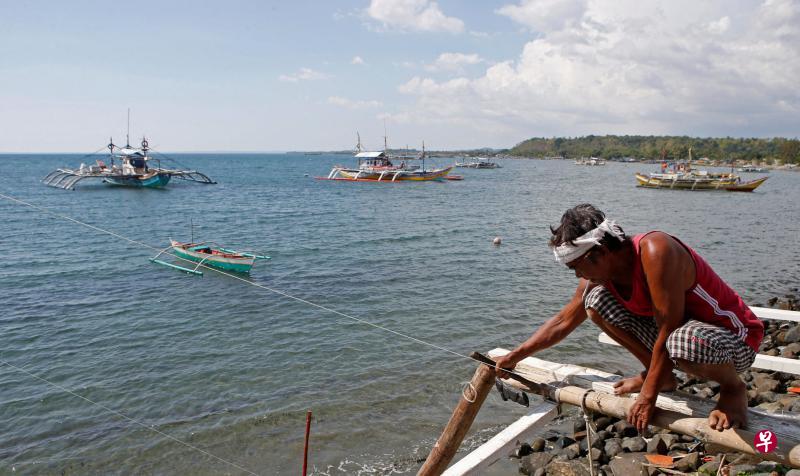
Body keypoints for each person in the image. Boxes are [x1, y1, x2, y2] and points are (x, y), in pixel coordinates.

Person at [494, 204, 763, 432]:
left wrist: (648, 397)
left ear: (600, 252)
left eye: (577, 267)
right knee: (595, 302)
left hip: (735, 339)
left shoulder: (656, 251)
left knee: (682, 340)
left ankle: (733, 389)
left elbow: (668, 330)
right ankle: (661, 376)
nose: (578, 275)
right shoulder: (598, 276)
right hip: (682, 338)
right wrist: (516, 356)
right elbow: (564, 321)